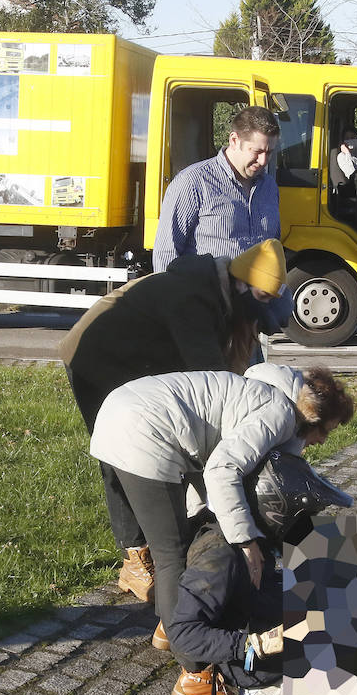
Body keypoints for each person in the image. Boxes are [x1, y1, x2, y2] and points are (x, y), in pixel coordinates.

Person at [89, 364, 355, 693]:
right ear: (311, 415)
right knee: (171, 553)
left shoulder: (265, 396)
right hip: (144, 429)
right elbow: (222, 469)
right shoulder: (280, 413)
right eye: (324, 432)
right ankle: (196, 675)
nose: (321, 442)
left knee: (178, 537)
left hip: (120, 410)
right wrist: (245, 540)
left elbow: (216, 463)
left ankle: (170, 627)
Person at [59, 240, 288, 605]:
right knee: (124, 452)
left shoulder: (224, 296)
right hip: (98, 355)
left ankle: (170, 529)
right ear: (243, 286)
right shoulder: (193, 300)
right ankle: (136, 555)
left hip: (140, 356)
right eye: (260, 304)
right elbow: (213, 380)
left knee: (170, 436)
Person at [167, 450, 353, 695]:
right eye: (303, 517)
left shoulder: (257, 539)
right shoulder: (221, 556)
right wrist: (257, 644)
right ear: (274, 510)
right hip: (261, 676)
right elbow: (183, 633)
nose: (308, 524)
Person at [152, 105, 282, 274]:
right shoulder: (193, 182)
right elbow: (166, 253)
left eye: (269, 152)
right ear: (234, 140)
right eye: (257, 151)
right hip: (205, 296)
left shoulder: (269, 187)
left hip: (255, 298)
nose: (263, 160)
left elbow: (273, 246)